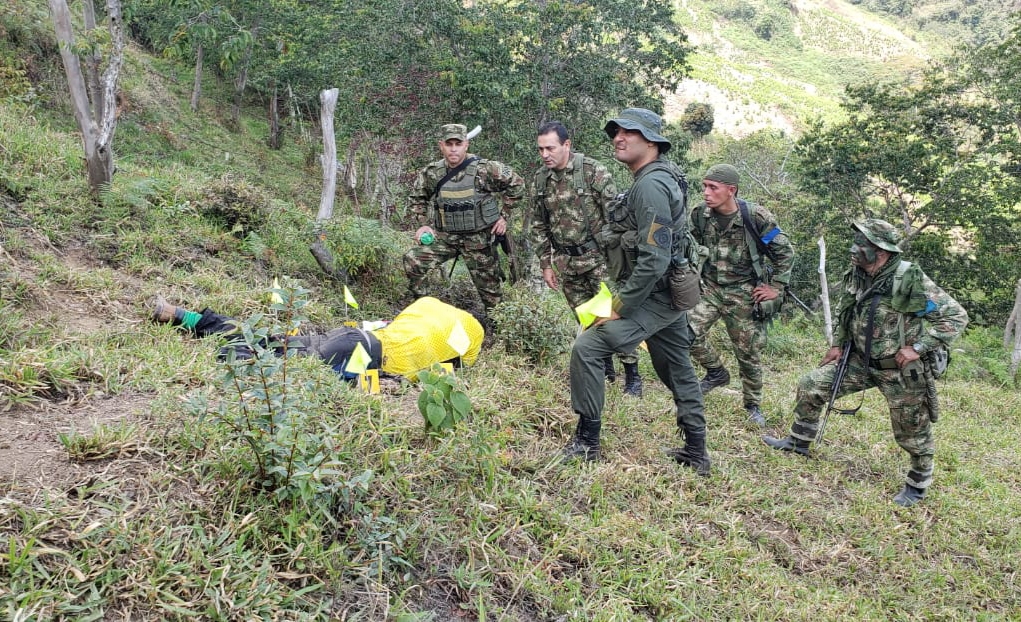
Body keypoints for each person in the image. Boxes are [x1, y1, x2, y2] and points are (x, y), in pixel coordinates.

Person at [763, 219, 968, 507]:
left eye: (862, 244)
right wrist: (837, 344)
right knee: (811, 384)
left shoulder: (908, 281)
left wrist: (919, 348)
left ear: (881, 251)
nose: (853, 248)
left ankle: (917, 485)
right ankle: (799, 442)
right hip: (858, 360)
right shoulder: (858, 274)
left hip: (899, 370)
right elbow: (846, 309)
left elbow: (955, 318)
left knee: (912, 430)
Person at [561, 108, 708, 474]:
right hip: (667, 294)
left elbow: (654, 258)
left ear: (652, 142)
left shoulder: (650, 186)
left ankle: (587, 442)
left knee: (588, 347)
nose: (618, 138)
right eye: (616, 132)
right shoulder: (655, 178)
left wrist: (621, 306)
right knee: (677, 367)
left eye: (630, 132)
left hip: (652, 295)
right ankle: (696, 452)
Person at [530, 121, 643, 396]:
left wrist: (622, 260)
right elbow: (537, 224)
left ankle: (633, 376)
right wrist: (546, 263)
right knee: (588, 318)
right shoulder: (541, 180)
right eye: (541, 149)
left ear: (567, 145)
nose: (545, 154)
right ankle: (606, 369)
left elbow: (616, 218)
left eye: (551, 148)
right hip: (567, 264)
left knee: (613, 318)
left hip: (600, 261)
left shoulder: (592, 171)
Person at [687, 164, 796, 426]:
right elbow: (687, 245)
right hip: (710, 288)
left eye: (713, 187)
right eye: (704, 186)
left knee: (747, 353)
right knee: (685, 333)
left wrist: (777, 288)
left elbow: (785, 252)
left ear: (731, 190)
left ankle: (752, 404)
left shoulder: (756, 217)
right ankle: (715, 372)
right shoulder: (701, 215)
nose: (706, 193)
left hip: (744, 292)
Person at [151, 295, 485, 380]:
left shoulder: (428, 306)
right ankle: (227, 359)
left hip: (352, 335)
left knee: (272, 339)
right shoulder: (470, 333)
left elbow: (388, 322)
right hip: (366, 356)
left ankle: (183, 316)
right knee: (280, 364)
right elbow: (455, 369)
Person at [403, 123, 526, 313]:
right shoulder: (432, 173)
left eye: (458, 144)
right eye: (449, 144)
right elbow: (417, 199)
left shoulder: (485, 169)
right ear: (441, 145)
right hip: (446, 239)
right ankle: (423, 311)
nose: (453, 149)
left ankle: (497, 332)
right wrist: (423, 225)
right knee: (413, 260)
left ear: (466, 145)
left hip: (479, 241)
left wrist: (504, 217)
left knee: (492, 297)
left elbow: (517, 184)